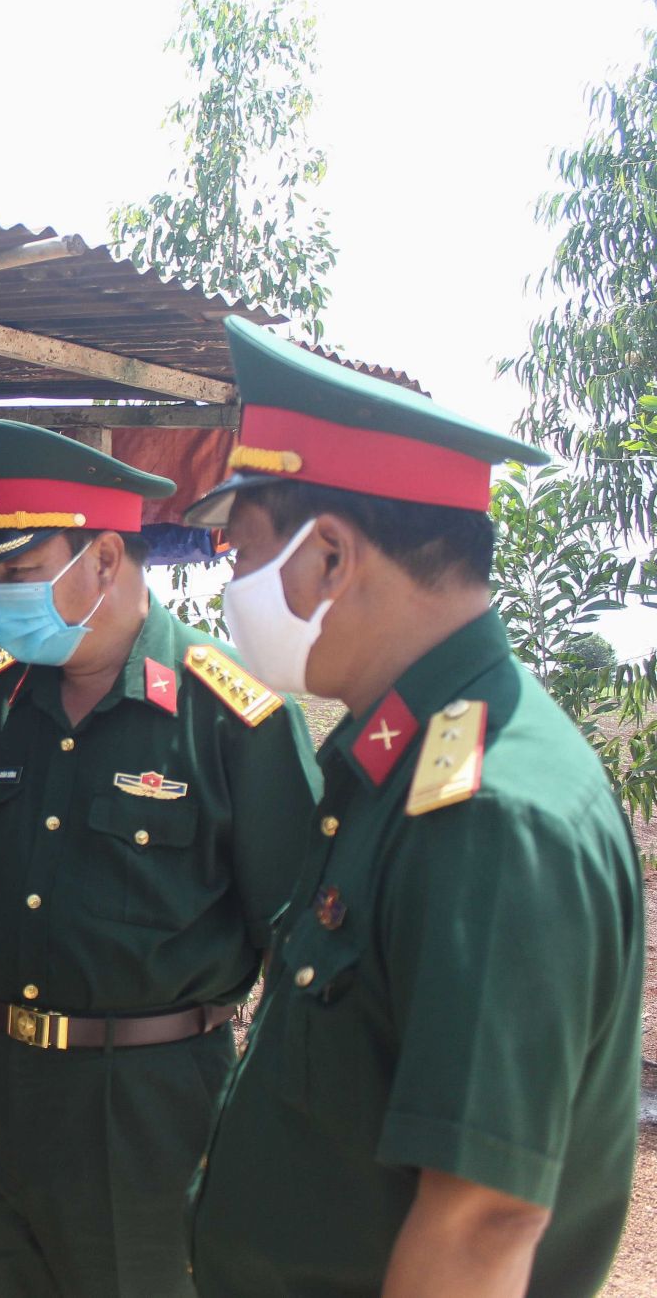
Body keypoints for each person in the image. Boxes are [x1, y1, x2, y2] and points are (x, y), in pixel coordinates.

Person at [0, 418, 322, 1297]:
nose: (2, 595)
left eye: (21, 571)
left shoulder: (230, 713)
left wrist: (281, 1133)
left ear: (106, 559)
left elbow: (298, 942)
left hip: (145, 1103)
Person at [184, 317, 644, 1297]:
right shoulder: (402, 763)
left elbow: (482, 1219)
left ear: (330, 558)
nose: (229, 589)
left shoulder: (488, 812)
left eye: (241, 555)